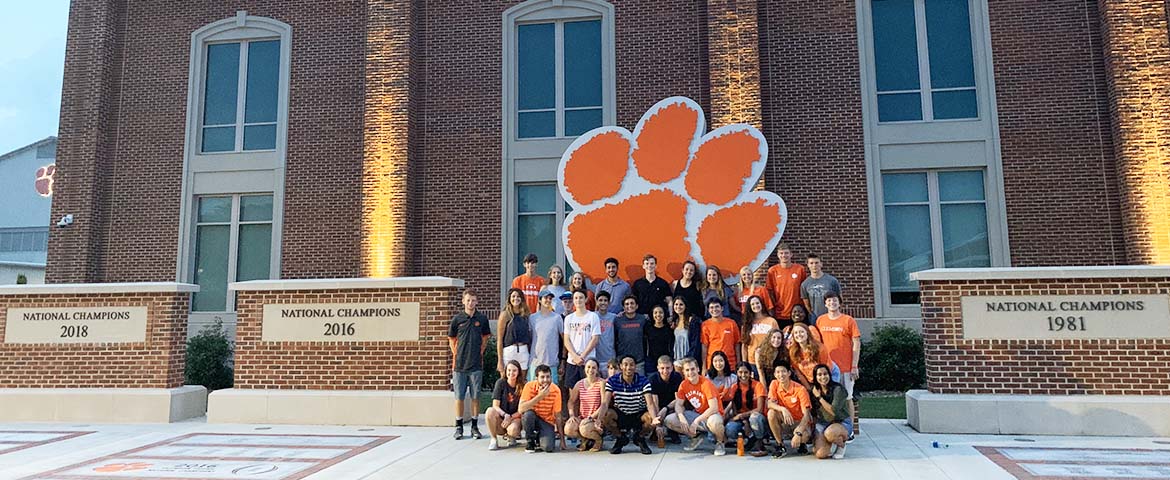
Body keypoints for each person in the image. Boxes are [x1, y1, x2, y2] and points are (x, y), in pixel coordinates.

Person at [816, 292, 860, 440]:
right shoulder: (820, 320)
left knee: (847, 397)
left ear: (839, 303)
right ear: (825, 304)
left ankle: (851, 429)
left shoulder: (848, 320)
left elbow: (856, 343)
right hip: (827, 369)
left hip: (845, 367)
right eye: (829, 301)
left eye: (835, 300)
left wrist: (854, 365)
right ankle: (833, 427)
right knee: (831, 399)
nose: (832, 303)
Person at [448, 289, 491, 440]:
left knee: (475, 397)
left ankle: (474, 426)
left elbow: (486, 337)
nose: (471, 303)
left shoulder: (482, 319)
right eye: (468, 300)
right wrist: (456, 353)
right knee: (459, 397)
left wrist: (480, 351)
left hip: (476, 365)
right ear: (463, 301)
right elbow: (451, 338)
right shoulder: (457, 319)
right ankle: (459, 426)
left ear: (477, 302)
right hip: (459, 365)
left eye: (473, 300)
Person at [665, 357, 727, 456]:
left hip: (712, 415)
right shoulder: (683, 384)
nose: (690, 373)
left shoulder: (706, 383)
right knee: (670, 419)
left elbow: (714, 408)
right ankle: (696, 436)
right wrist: (681, 417)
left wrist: (696, 421)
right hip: (698, 414)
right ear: (683, 372)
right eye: (687, 370)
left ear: (698, 369)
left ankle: (720, 442)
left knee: (714, 422)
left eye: (693, 369)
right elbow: (678, 404)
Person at [599, 355, 658, 455]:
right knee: (606, 415)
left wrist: (655, 418)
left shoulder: (644, 381)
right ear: (621, 366)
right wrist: (598, 420)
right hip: (621, 414)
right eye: (625, 364)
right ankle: (620, 438)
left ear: (635, 367)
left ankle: (639, 437)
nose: (628, 367)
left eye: (631, 365)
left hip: (638, 414)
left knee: (651, 419)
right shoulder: (612, 381)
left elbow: (650, 404)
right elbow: (605, 403)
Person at [765, 362, 812, 458]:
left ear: (789, 373)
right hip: (785, 420)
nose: (781, 375)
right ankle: (780, 445)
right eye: (778, 372)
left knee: (804, 436)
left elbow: (806, 415)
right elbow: (769, 404)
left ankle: (802, 444)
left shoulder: (800, 389)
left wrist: (798, 433)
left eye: (783, 372)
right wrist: (783, 409)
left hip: (799, 422)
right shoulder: (774, 384)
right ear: (774, 374)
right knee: (771, 413)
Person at [562, 290, 602, 404]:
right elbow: (566, 339)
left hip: (588, 361)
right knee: (573, 396)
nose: (578, 300)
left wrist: (583, 356)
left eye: (581, 297)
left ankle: (587, 420)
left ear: (585, 299)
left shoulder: (593, 316)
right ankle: (574, 419)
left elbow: (595, 339)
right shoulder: (569, 318)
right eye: (576, 298)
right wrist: (575, 356)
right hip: (572, 361)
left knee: (589, 394)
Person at [724, 362, 768, 455]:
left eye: (746, 372)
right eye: (740, 372)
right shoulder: (734, 387)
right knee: (730, 428)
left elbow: (759, 409)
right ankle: (747, 439)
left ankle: (759, 442)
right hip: (743, 419)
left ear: (750, 373)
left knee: (754, 418)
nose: (743, 375)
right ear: (736, 373)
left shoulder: (758, 385)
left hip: (759, 419)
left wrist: (742, 416)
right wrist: (744, 421)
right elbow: (735, 408)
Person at [810, 364, 850, 459]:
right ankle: (829, 443)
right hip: (823, 423)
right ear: (815, 377)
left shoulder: (838, 389)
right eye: (819, 375)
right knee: (820, 454)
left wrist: (819, 397)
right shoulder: (814, 391)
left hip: (840, 422)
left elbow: (834, 411)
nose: (823, 377)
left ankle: (841, 445)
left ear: (830, 375)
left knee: (829, 433)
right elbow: (814, 413)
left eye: (825, 374)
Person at [565, 358, 606, 451]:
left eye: (593, 368)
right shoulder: (579, 384)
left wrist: (591, 417)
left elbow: (604, 404)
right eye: (588, 367)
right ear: (584, 369)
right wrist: (572, 415)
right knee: (568, 429)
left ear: (597, 370)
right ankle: (584, 440)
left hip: (596, 418)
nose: (590, 370)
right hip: (583, 418)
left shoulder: (601, 383)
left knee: (584, 429)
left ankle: (598, 440)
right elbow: (571, 401)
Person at [520, 364, 563, 453]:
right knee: (528, 414)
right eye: (542, 377)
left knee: (548, 447)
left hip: (547, 421)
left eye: (548, 377)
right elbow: (521, 409)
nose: (545, 380)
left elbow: (558, 416)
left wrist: (562, 440)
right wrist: (540, 396)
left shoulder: (556, 390)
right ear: (536, 378)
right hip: (532, 418)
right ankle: (530, 441)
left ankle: (539, 437)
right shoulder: (529, 386)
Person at [765, 245, 808, 328]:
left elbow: (804, 290)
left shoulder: (800, 269)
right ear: (778, 255)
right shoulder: (772, 271)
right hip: (780, 313)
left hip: (797, 312)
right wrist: (775, 306)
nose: (784, 255)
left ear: (791, 254)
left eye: (786, 253)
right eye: (781, 253)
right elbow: (769, 291)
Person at [486, 360, 524, 450]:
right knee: (489, 411)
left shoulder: (523, 385)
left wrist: (510, 417)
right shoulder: (500, 383)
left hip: (515, 418)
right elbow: (495, 405)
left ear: (518, 372)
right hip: (502, 418)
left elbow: (522, 409)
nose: (511, 373)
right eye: (509, 370)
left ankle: (512, 437)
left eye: (514, 370)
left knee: (513, 430)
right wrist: (505, 415)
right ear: (506, 371)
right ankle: (494, 439)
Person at [528, 289, 563, 383]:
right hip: (535, 362)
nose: (548, 300)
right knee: (533, 391)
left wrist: (563, 360)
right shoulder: (532, 318)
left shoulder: (557, 318)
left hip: (551, 362)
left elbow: (564, 339)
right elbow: (530, 339)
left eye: (550, 298)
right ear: (539, 300)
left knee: (552, 392)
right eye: (545, 298)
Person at [497, 288, 532, 380]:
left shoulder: (526, 314)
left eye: (518, 296)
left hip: (523, 350)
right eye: (513, 296)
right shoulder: (505, 315)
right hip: (509, 350)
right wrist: (500, 360)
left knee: (522, 381)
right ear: (509, 298)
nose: (516, 298)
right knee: (506, 381)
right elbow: (500, 339)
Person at [741, 295, 779, 379]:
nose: (755, 306)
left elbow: (778, 341)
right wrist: (745, 363)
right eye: (753, 304)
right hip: (752, 362)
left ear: (761, 304)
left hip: (769, 360)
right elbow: (744, 345)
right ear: (749, 307)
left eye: (757, 303)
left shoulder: (771, 321)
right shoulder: (746, 325)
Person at [649, 355, 683, 445]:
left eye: (668, 368)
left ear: (672, 367)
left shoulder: (677, 377)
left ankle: (673, 432)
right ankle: (656, 432)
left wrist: (666, 408)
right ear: (658, 368)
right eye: (662, 368)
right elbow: (654, 402)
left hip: (671, 406)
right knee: (651, 414)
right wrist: (658, 423)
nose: (665, 371)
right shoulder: (653, 379)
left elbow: (678, 399)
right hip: (658, 405)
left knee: (679, 407)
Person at [788, 323, 834, 388]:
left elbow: (825, 368)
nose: (799, 334)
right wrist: (809, 388)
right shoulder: (793, 351)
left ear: (807, 333)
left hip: (828, 375)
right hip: (810, 381)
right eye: (796, 333)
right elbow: (799, 373)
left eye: (801, 332)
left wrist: (821, 387)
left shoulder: (819, 348)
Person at [700, 299, 741, 370]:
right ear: (708, 310)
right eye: (711, 307)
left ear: (722, 308)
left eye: (717, 307)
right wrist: (704, 367)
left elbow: (737, 344)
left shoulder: (731, 323)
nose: (714, 309)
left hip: (730, 364)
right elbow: (704, 347)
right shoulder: (705, 325)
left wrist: (739, 362)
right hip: (713, 364)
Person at [800, 254, 841, 323]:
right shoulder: (805, 284)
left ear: (821, 264)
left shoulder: (832, 281)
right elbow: (807, 304)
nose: (814, 265)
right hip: (815, 318)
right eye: (811, 263)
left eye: (816, 263)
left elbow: (839, 299)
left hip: (831, 316)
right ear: (808, 265)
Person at [613, 295, 647, 372]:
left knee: (639, 383)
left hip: (638, 361)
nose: (630, 306)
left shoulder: (642, 319)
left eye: (632, 303)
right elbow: (614, 339)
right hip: (622, 361)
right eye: (627, 304)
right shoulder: (618, 320)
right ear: (623, 307)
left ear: (637, 306)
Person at [670, 297, 702, 366]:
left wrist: (689, 358)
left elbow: (695, 343)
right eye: (676, 304)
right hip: (677, 358)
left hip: (689, 359)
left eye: (681, 304)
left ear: (685, 306)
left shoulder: (693, 321)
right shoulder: (674, 322)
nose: (678, 306)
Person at [643, 305, 674, 375]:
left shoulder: (669, 329)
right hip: (651, 360)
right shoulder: (647, 328)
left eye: (660, 312)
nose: (658, 315)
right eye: (655, 312)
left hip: (666, 360)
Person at [593, 291, 617, 367]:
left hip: (610, 358)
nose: (603, 302)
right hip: (595, 357)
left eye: (605, 300)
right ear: (596, 302)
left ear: (609, 303)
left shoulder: (614, 317)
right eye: (600, 300)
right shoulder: (592, 316)